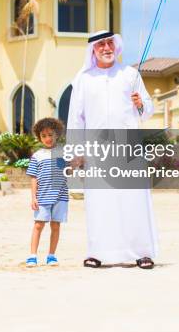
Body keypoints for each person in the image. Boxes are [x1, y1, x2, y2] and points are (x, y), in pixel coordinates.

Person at [66, 29, 158, 269]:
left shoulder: (130, 75)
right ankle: (98, 253)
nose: (106, 48)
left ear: (115, 47)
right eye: (100, 45)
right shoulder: (83, 79)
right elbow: (76, 118)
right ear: (93, 50)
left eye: (109, 43)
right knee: (99, 203)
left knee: (134, 201)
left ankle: (142, 253)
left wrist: (141, 104)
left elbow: (147, 111)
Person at [25, 117, 68, 268]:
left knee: (56, 226)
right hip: (42, 197)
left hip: (60, 197)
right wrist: (33, 197)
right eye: (44, 136)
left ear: (57, 134)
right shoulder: (37, 156)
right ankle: (32, 255)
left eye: (50, 134)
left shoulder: (64, 153)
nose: (48, 138)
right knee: (38, 225)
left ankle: (51, 255)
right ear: (39, 137)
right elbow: (33, 177)